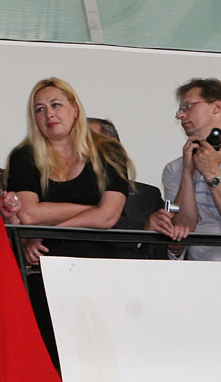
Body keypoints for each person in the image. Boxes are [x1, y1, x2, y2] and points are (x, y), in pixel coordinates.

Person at [7, 78, 133, 372]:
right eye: (39, 109)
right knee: (49, 360)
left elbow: (109, 217)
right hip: (45, 270)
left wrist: (50, 223)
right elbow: (29, 214)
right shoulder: (24, 156)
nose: (49, 114)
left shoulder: (108, 151)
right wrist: (92, 209)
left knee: (98, 359)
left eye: (56, 105)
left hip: (97, 270)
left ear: (75, 109)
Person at [87, 117, 175, 258]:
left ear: (114, 147)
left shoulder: (147, 196)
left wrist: (173, 246)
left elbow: (158, 255)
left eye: (88, 140)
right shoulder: (57, 195)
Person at [159, 78, 221, 260]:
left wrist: (211, 173)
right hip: (197, 267)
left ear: (217, 107)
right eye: (179, 110)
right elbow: (182, 228)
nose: (180, 115)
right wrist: (187, 172)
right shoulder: (174, 168)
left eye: (188, 107)